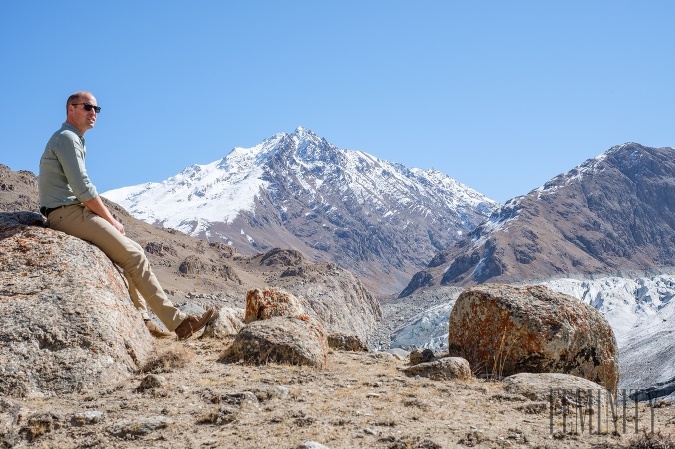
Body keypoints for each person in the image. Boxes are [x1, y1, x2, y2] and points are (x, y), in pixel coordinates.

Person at [38, 91, 215, 340]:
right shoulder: (67, 138)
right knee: (132, 255)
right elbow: (82, 189)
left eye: (96, 110)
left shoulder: (73, 138)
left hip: (70, 212)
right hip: (66, 213)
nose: (93, 113)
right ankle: (179, 324)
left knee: (132, 252)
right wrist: (111, 220)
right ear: (71, 109)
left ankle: (144, 321)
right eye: (88, 107)